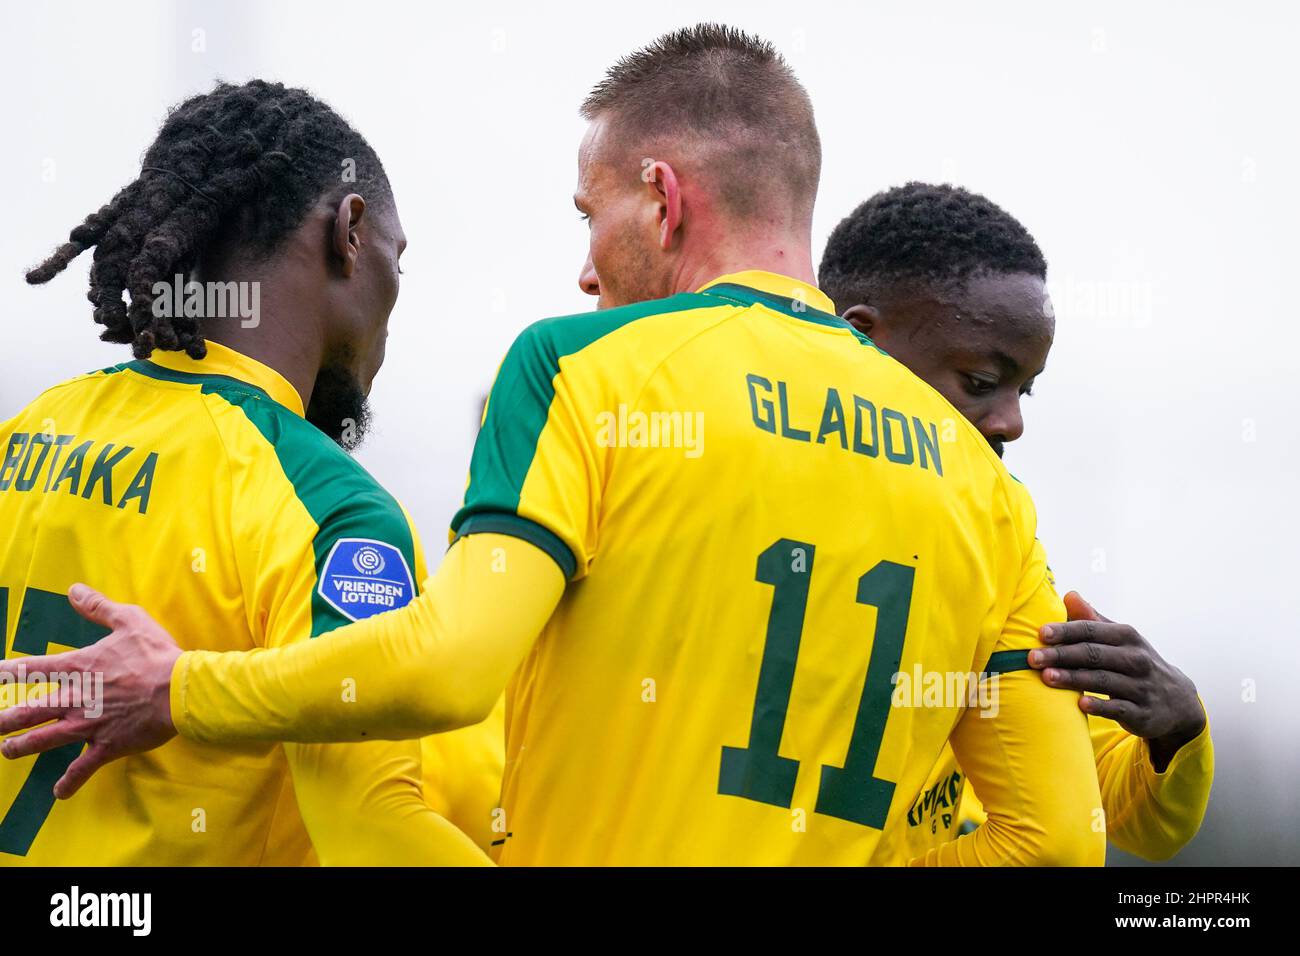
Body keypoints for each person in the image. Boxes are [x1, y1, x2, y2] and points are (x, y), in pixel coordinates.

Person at [0, 25, 1104, 866]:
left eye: (589, 213)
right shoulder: (987, 492)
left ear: (660, 200)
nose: (586, 265)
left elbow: (450, 666)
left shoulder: (579, 367)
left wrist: (183, 687)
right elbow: (1057, 843)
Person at [0, 80, 488, 865]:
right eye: (401, 259)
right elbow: (368, 826)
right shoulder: (332, 506)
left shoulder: (23, 432)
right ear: (351, 233)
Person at [818, 182, 1213, 860]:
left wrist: (1176, 733)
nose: (1012, 423)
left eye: (1023, 388)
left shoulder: (995, 528)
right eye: (980, 381)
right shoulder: (751, 499)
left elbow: (1123, 820)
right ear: (861, 336)